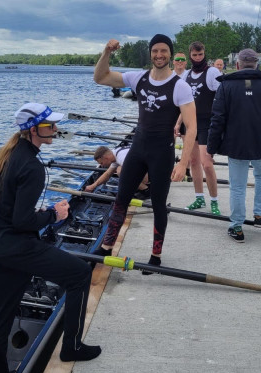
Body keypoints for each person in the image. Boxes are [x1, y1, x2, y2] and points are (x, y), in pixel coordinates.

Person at [0, 103, 101, 373]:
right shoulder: (32, 165)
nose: (55, 131)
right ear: (32, 130)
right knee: (79, 274)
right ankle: (71, 347)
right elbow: (23, 220)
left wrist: (43, 211)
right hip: (18, 246)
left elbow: (10, 211)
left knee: (0, 315)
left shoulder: (6, 154)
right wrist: (54, 215)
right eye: (50, 127)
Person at [92, 35, 196, 269]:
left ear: (170, 54)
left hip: (162, 153)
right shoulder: (138, 78)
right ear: (150, 54)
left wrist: (183, 164)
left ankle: (156, 256)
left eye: (164, 51)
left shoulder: (180, 86)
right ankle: (106, 247)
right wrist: (106, 52)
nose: (159, 55)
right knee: (121, 199)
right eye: (155, 51)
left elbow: (192, 128)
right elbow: (100, 77)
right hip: (138, 149)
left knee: (159, 205)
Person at [207, 49, 261, 243]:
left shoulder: (226, 87)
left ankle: (236, 226)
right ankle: (260, 215)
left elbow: (217, 120)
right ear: (257, 65)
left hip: (236, 145)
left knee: (238, 186)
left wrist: (211, 148)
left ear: (237, 65)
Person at [177, 41, 221, 215]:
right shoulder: (185, 75)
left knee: (207, 164)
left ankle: (215, 202)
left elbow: (222, 96)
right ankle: (199, 198)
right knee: (194, 162)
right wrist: (177, 122)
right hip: (189, 123)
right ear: (190, 56)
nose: (197, 58)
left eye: (200, 54)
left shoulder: (212, 72)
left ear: (204, 53)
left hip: (206, 123)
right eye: (194, 55)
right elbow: (182, 103)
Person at [85, 145, 150, 199]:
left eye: (101, 163)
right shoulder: (116, 154)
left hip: (154, 173)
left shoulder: (121, 157)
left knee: (120, 170)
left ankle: (146, 191)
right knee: (123, 170)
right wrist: (93, 185)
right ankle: (141, 188)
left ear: (106, 158)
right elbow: (107, 174)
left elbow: (140, 173)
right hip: (149, 166)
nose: (102, 166)